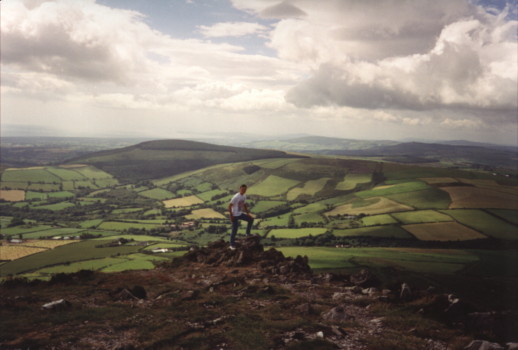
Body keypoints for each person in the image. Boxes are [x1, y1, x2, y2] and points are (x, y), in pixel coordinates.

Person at [228, 184, 254, 250]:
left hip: (240, 213)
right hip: (234, 215)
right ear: (240, 189)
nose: (244, 190)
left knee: (251, 219)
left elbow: (244, 204)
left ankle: (247, 233)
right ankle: (231, 245)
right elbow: (229, 206)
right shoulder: (236, 197)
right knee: (234, 230)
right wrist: (231, 216)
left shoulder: (244, 196)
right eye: (242, 189)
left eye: (245, 189)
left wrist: (247, 213)